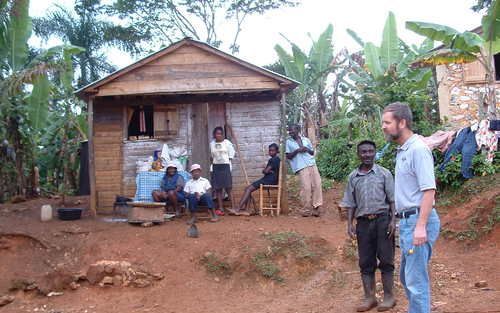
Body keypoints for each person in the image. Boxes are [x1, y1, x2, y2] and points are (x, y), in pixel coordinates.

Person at [382, 102, 440, 313]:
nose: (383, 127)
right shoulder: (404, 149)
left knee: (416, 282)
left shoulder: (417, 150)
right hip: (407, 221)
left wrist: (420, 226)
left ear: (402, 122)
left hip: (417, 219)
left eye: (387, 122)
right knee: (407, 277)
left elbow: (429, 190)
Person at [340, 140, 396, 312]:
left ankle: (389, 297)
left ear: (375, 153)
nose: (367, 155)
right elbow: (350, 203)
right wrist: (350, 224)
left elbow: (393, 200)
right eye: (363, 152)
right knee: (365, 262)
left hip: (382, 221)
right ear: (358, 154)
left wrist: (393, 221)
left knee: (386, 260)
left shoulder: (384, 174)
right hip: (363, 223)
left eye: (370, 151)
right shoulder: (353, 177)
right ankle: (369, 298)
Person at [229, 143, 281, 216]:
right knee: (248, 188)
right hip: (272, 180)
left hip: (268, 180)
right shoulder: (278, 159)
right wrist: (267, 171)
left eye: (273, 151)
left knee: (248, 189)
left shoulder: (273, 160)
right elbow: (268, 171)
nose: (271, 152)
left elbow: (265, 171)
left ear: (277, 151)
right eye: (270, 151)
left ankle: (238, 209)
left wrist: (265, 170)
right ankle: (247, 210)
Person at [285, 124, 323, 217]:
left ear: (298, 130)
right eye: (289, 131)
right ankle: (306, 209)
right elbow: (288, 156)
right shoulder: (288, 142)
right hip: (301, 166)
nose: (290, 132)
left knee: (317, 185)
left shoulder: (306, 140)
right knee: (306, 188)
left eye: (292, 130)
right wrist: (297, 151)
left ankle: (316, 208)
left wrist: (306, 149)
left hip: (311, 164)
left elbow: (312, 152)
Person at [210, 126, 235, 216]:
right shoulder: (212, 144)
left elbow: (231, 154)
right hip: (216, 167)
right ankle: (221, 208)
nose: (219, 135)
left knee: (228, 188)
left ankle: (233, 207)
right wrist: (213, 165)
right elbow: (211, 156)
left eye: (221, 133)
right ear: (214, 135)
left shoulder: (227, 143)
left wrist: (226, 162)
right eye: (217, 133)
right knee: (218, 189)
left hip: (225, 166)